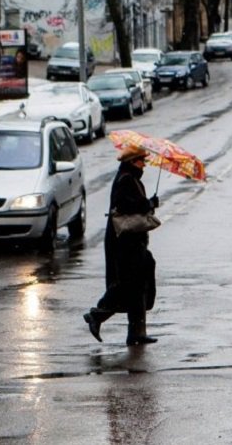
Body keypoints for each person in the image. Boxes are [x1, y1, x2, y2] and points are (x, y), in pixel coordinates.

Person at [84, 146, 161, 346]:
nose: (144, 164)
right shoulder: (125, 180)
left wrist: (148, 203)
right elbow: (126, 206)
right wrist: (149, 204)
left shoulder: (131, 178)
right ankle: (97, 315)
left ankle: (137, 333)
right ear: (132, 161)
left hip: (133, 242)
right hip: (126, 244)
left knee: (138, 286)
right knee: (127, 285)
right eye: (142, 160)